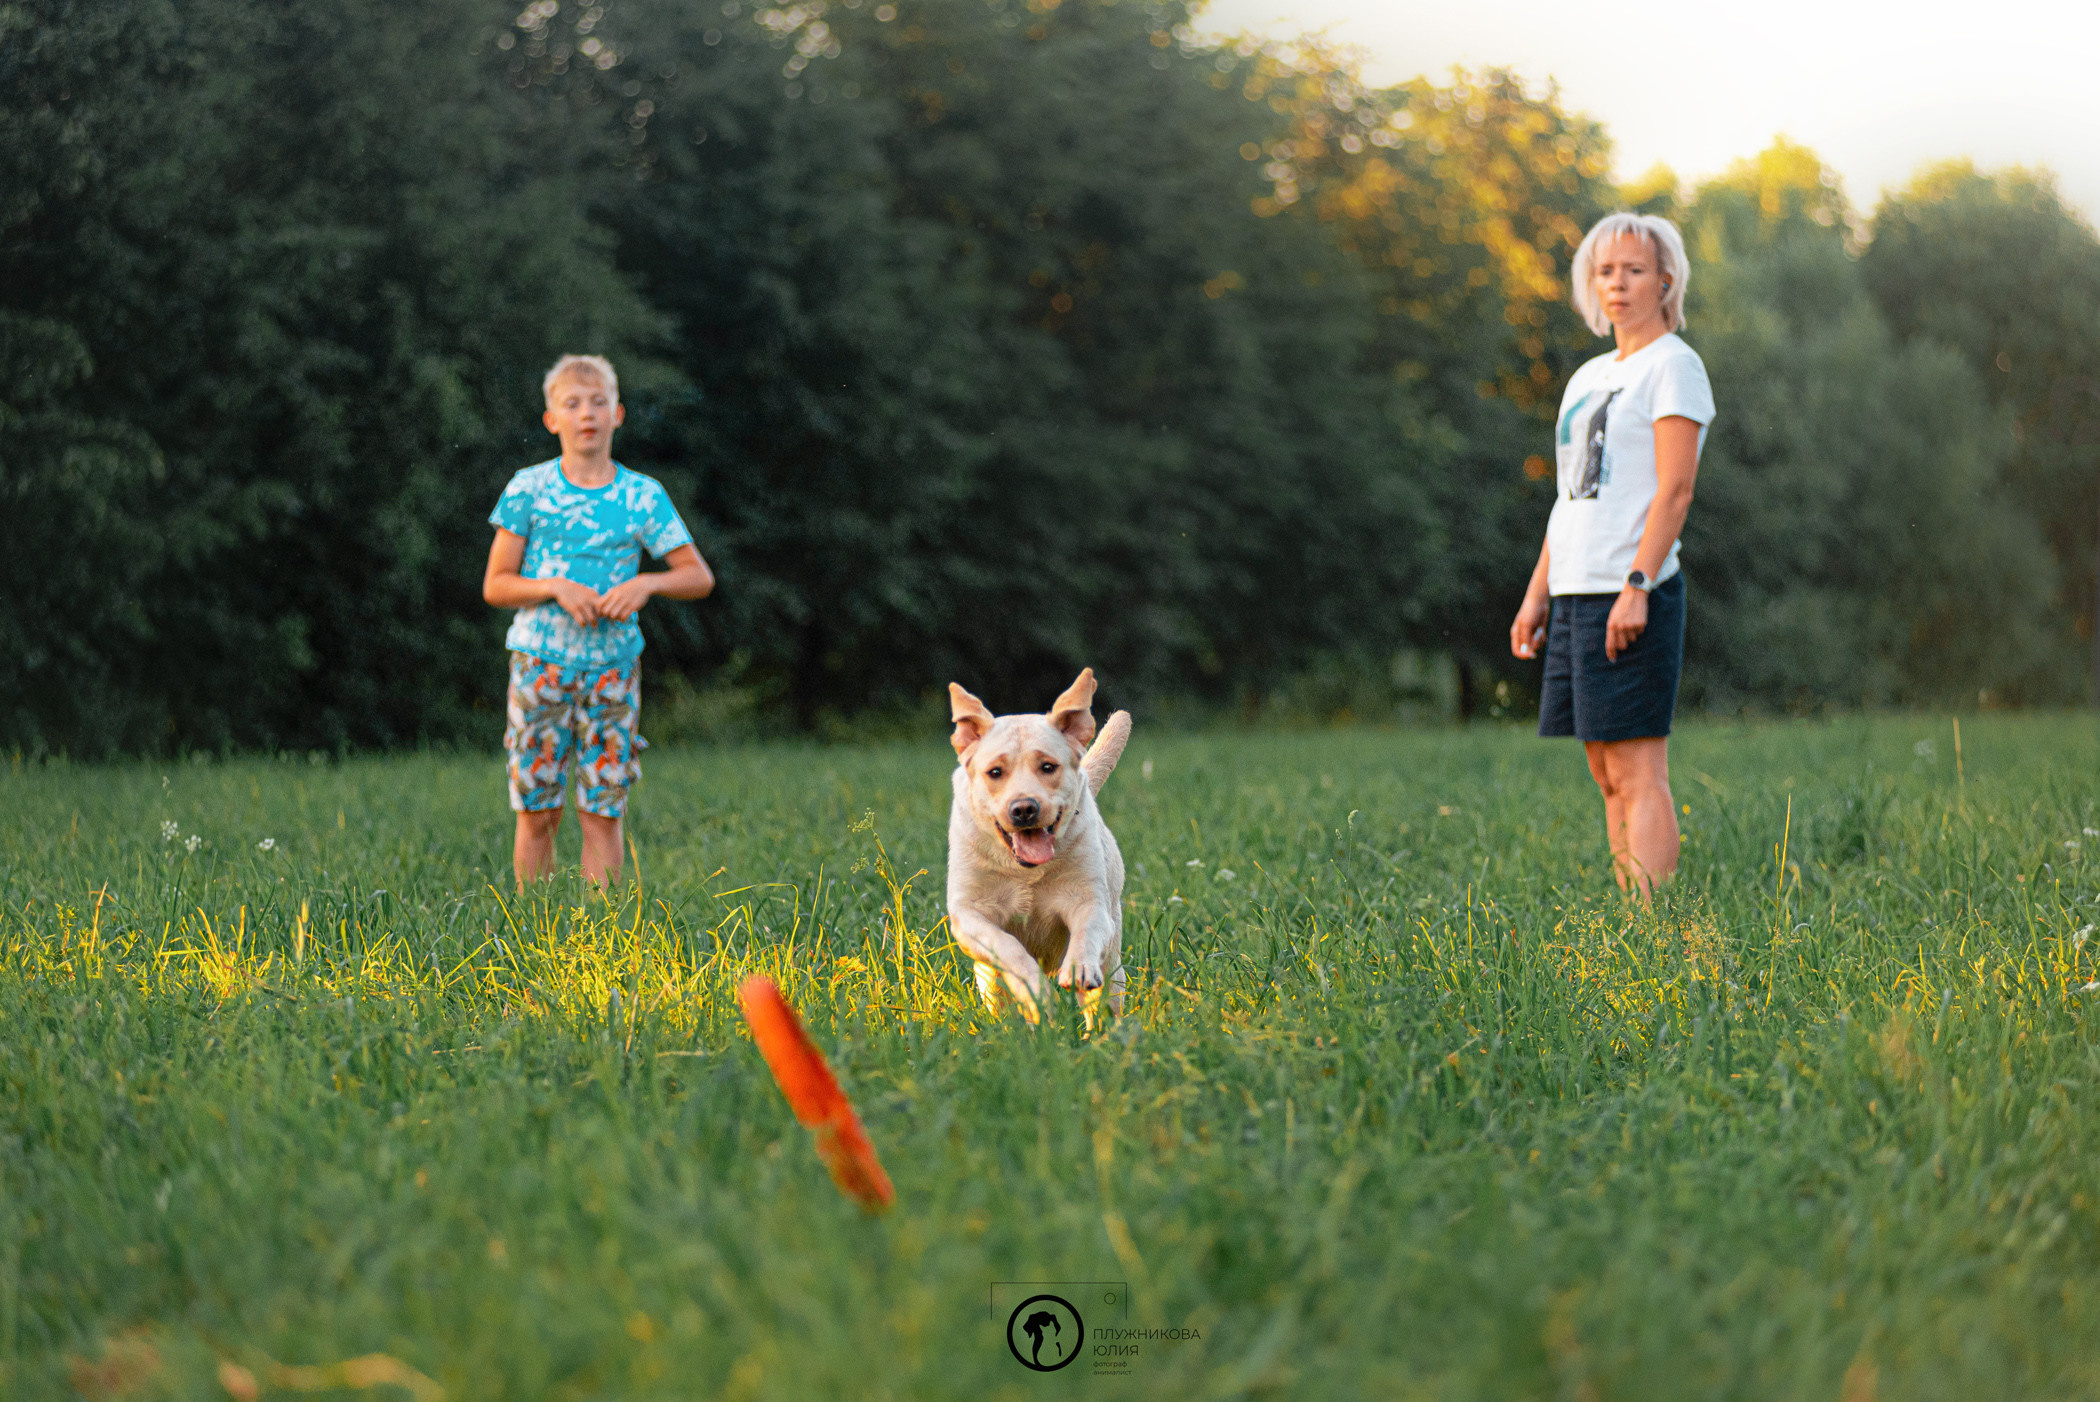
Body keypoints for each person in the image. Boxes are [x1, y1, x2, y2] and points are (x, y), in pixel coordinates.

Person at [1510, 213, 1713, 896]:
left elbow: (1676, 489)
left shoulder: (1674, 367)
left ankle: (1651, 934)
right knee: (1603, 772)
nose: (1618, 283)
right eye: (1605, 271)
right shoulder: (1588, 377)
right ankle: (1631, 929)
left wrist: (1637, 584)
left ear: (1665, 278)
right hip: (1575, 589)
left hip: (1632, 591)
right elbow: (1571, 497)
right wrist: (1539, 593)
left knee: (1639, 770)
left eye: (1633, 269)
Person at [482, 355, 714, 888]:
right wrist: (554, 587)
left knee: (602, 812)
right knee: (538, 811)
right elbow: (496, 585)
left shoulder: (641, 495)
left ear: (618, 415)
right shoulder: (529, 489)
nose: (586, 413)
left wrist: (646, 584)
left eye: (598, 402)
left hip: (614, 671)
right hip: (540, 666)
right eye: (572, 403)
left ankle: (600, 944)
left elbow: (697, 576)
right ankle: (534, 933)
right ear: (552, 420)